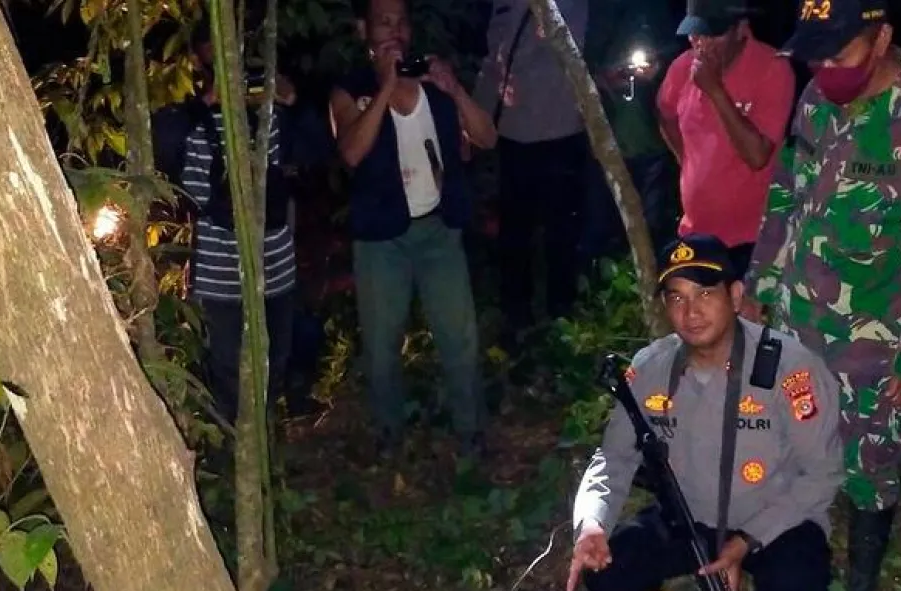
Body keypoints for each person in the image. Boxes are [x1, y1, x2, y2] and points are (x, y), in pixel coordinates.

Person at [743, 0, 901, 591]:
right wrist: (758, 286)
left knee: (870, 468)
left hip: (876, 341)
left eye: (838, 51)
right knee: (789, 451)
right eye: (815, 53)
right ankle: (792, 580)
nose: (824, 65)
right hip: (798, 324)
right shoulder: (817, 99)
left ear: (883, 39)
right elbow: (785, 196)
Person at [567, 234, 844, 591]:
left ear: (734, 296)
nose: (691, 311)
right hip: (687, 517)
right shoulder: (652, 368)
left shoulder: (790, 369)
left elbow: (823, 474)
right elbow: (614, 456)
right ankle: (695, 573)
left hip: (770, 520)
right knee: (607, 573)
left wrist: (744, 542)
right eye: (677, 298)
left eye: (704, 293)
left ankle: (745, 568)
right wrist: (592, 522)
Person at [330, 0, 494, 455]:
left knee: (459, 336)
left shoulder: (433, 82)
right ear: (364, 29)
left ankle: (470, 430)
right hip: (382, 240)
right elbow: (352, 153)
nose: (395, 30)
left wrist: (455, 89)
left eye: (401, 21)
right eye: (384, 21)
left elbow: (486, 137)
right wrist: (384, 88)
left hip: (439, 232)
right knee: (382, 346)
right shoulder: (351, 88)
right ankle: (389, 434)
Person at [153, 22, 331, 424]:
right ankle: (233, 451)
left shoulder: (268, 116)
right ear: (201, 57)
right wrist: (207, 104)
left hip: (276, 265)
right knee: (229, 369)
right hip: (220, 275)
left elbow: (318, 151)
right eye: (214, 52)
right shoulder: (192, 117)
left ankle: (266, 438)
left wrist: (294, 101)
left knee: (275, 358)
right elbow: (162, 151)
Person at [474, 0, 592, 339]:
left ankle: (563, 315)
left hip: (564, 130)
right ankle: (517, 316)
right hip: (515, 133)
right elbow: (495, 60)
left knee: (563, 233)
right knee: (515, 233)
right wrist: (475, 116)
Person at [656, 0, 795, 275]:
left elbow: (757, 156)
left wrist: (715, 91)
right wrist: (687, 163)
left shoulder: (772, 69)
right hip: (696, 233)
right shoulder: (682, 67)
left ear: (741, 29)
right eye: (695, 33)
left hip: (754, 239)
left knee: (747, 318)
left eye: (713, 34)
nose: (701, 43)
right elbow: (665, 113)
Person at [582, 0, 681, 264]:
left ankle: (648, 285)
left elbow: (676, 52)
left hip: (652, 139)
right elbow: (581, 60)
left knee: (652, 224)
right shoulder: (598, 9)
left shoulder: (657, 9)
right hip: (607, 138)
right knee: (602, 220)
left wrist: (657, 69)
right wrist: (605, 77)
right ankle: (601, 289)